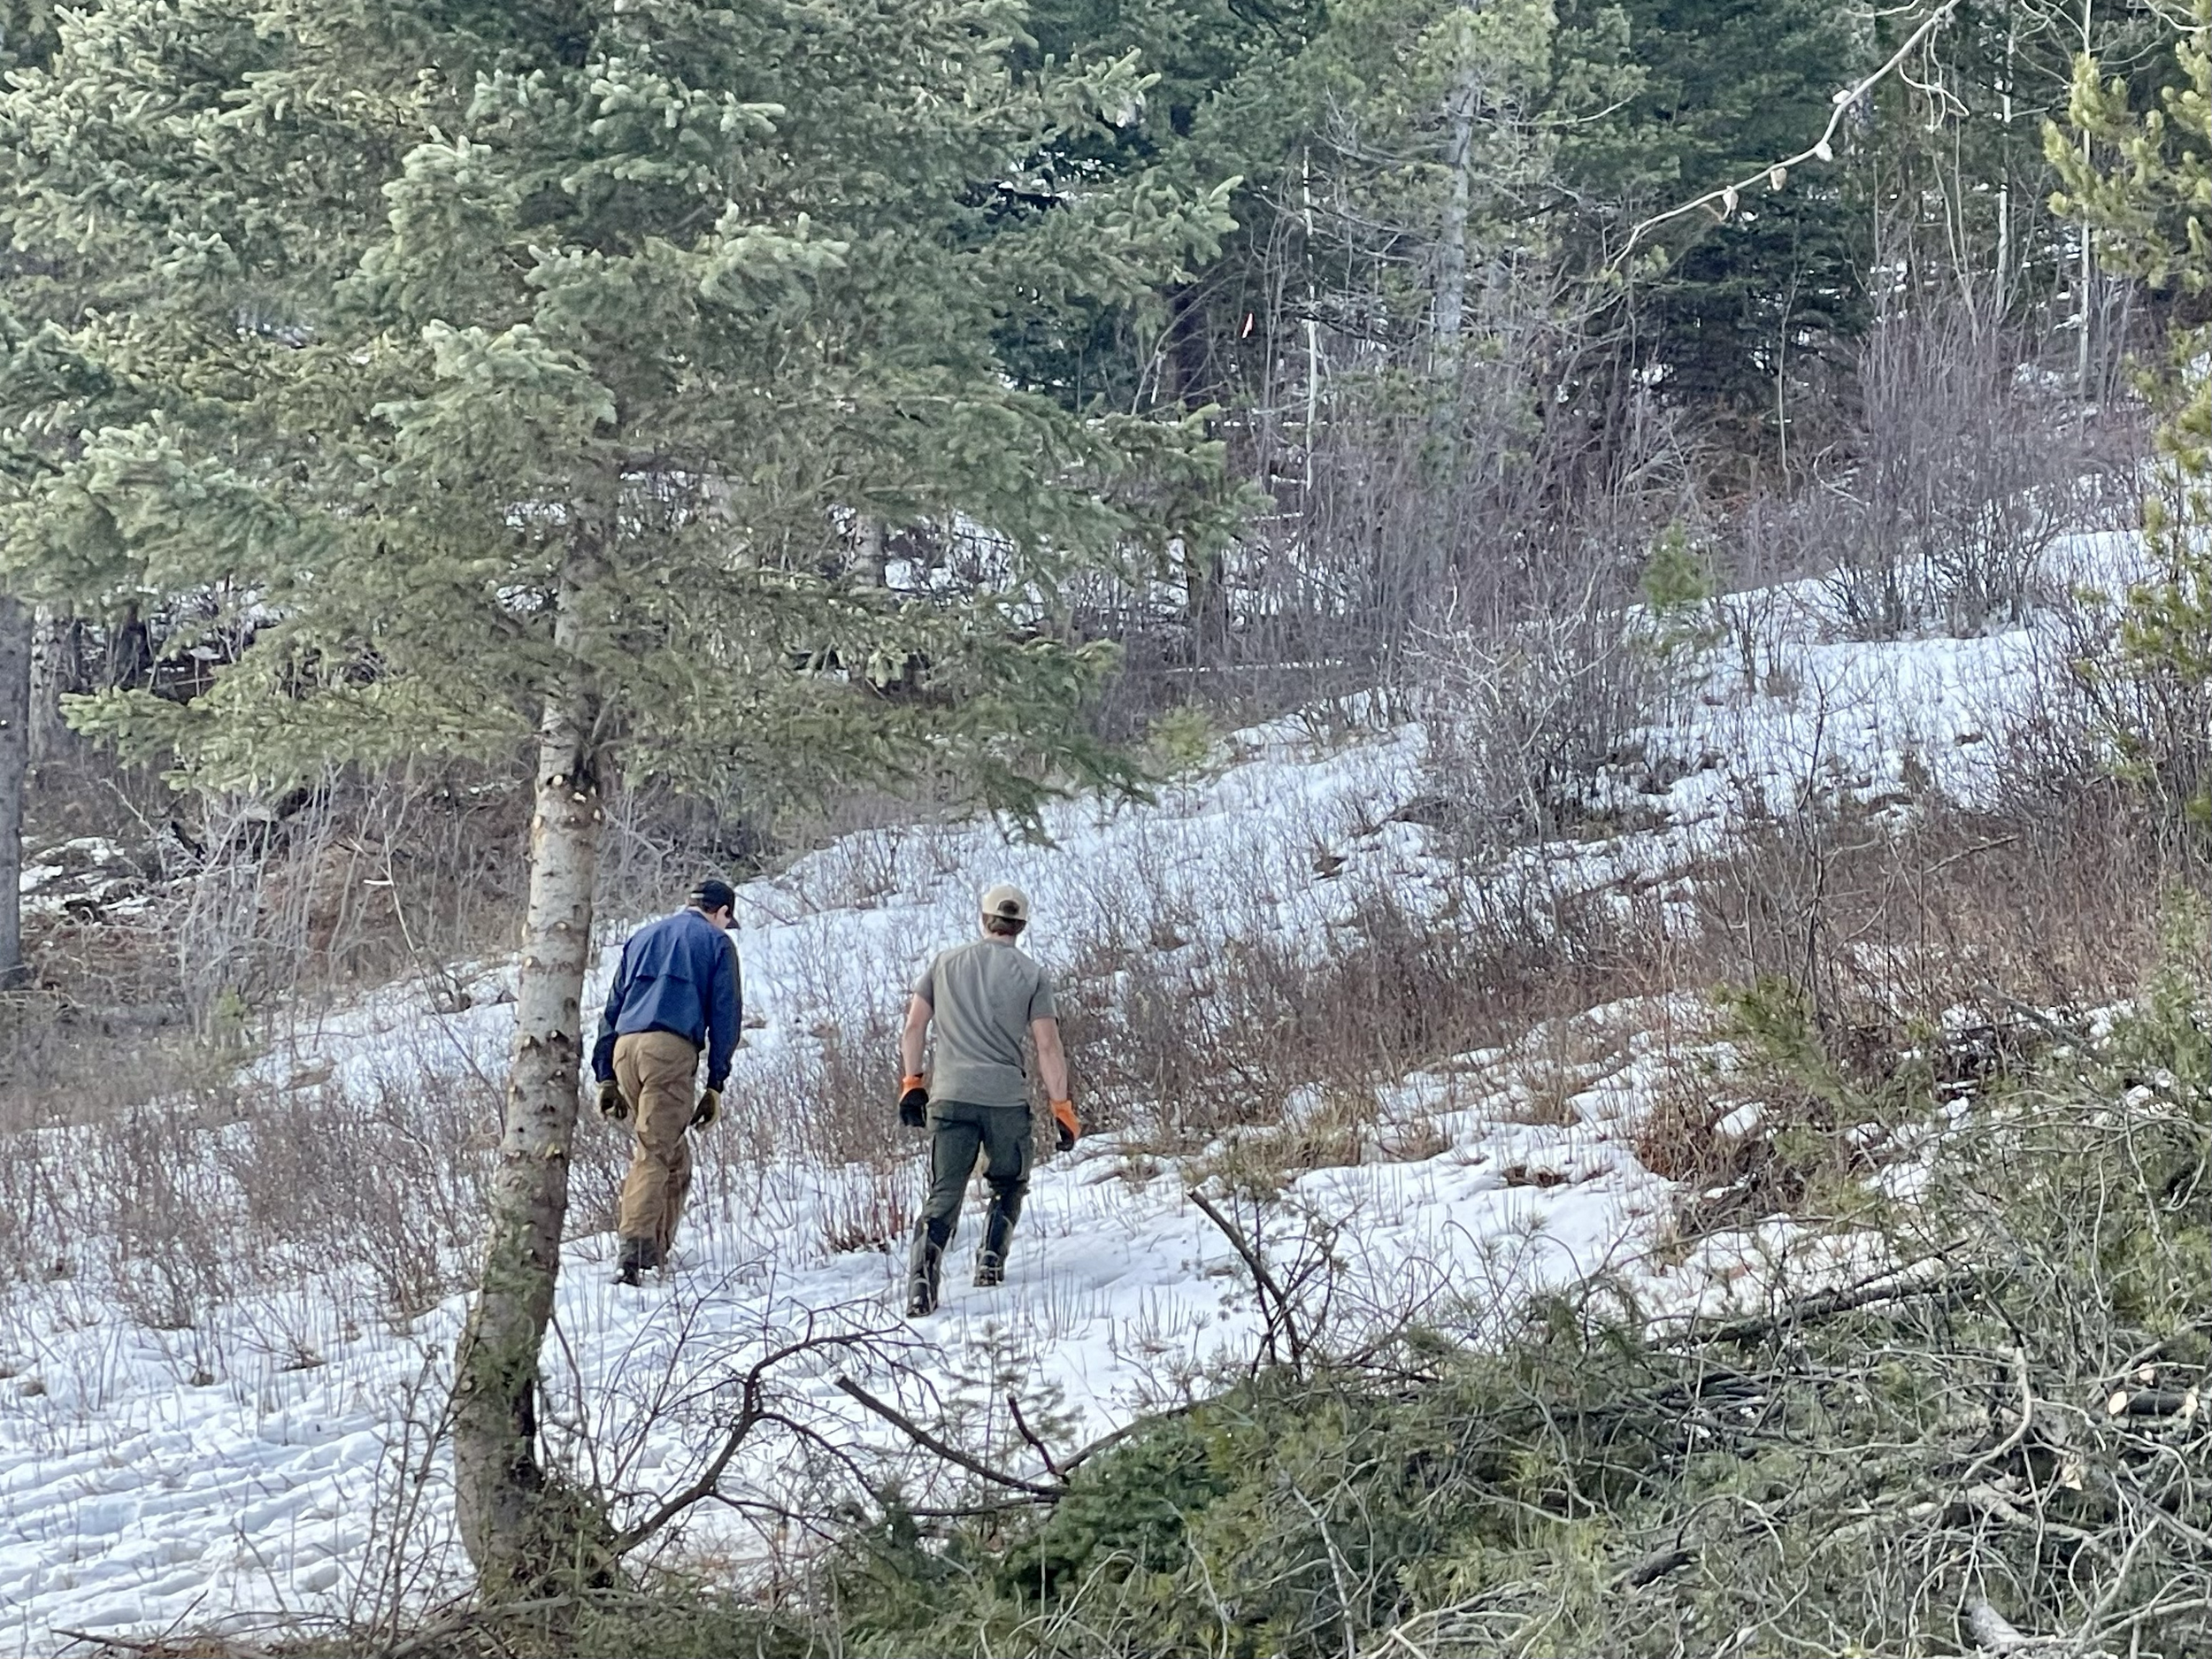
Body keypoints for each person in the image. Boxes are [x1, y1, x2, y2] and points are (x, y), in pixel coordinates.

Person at [898, 882, 1079, 1316]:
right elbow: (1048, 1046)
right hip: (1005, 1099)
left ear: (983, 920)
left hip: (951, 1096)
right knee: (1009, 1180)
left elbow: (914, 1027)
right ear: (1022, 926)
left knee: (946, 1190)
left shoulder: (944, 963)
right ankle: (991, 1262)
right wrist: (1062, 1107)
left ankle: (922, 1281)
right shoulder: (1032, 975)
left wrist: (912, 1082)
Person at [591, 878, 743, 1286]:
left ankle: (656, 1250)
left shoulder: (643, 937)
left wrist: (605, 1075)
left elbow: (612, 1007)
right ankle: (635, 1256)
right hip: (669, 1051)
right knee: (654, 1152)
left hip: (625, 1049)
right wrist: (716, 1083)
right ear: (722, 913)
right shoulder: (717, 944)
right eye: (728, 920)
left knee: (675, 1159)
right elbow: (726, 1016)